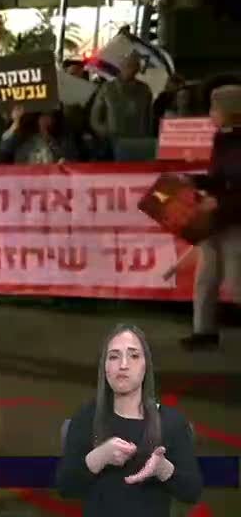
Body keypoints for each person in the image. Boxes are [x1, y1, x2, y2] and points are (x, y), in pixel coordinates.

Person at [56, 324, 202, 516]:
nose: (123, 365)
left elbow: (192, 492)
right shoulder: (86, 418)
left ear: (145, 366)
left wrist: (162, 469)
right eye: (114, 356)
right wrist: (99, 457)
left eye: (133, 356)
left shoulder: (172, 423)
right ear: (105, 367)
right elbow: (65, 487)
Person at [183, 84, 241, 350]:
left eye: (214, 108)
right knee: (206, 276)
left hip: (235, 221)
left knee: (236, 279)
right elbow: (219, 178)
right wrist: (195, 181)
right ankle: (203, 331)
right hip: (216, 219)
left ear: (231, 111)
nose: (210, 114)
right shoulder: (221, 138)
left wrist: (220, 201)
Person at [89, 52, 154, 161]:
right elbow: (95, 118)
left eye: (135, 66)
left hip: (138, 142)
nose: (132, 69)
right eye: (128, 65)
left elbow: (149, 117)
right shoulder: (107, 88)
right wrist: (105, 133)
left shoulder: (144, 90)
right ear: (121, 67)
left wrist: (147, 137)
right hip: (113, 142)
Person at [0, 106, 83, 164]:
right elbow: (4, 148)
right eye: (43, 115)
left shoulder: (63, 139)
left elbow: (71, 161)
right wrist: (16, 122)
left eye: (49, 115)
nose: (46, 119)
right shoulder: (20, 140)